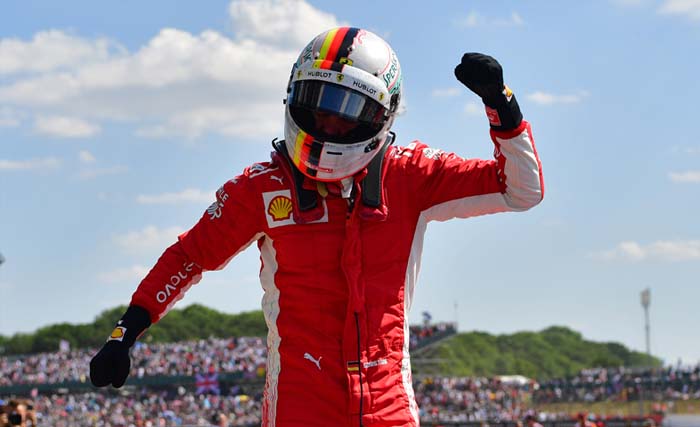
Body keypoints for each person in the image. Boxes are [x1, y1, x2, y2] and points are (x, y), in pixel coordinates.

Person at [90, 26, 544, 427]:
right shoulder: (259, 188)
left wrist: (501, 106)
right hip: (299, 406)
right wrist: (125, 332)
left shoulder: (410, 175)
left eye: (345, 110)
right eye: (318, 102)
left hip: (389, 406)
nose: (327, 120)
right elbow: (190, 255)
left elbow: (521, 190)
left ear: (380, 117)